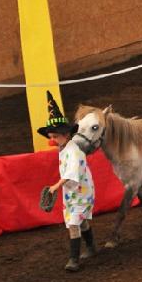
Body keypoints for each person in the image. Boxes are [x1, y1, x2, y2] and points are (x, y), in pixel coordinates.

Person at [38, 91, 96, 272]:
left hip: (81, 191)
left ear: (66, 134)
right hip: (73, 191)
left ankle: (74, 260)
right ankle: (92, 247)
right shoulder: (64, 148)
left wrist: (55, 187)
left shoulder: (74, 151)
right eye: (51, 136)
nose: (52, 140)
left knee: (73, 224)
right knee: (81, 221)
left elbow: (71, 173)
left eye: (55, 136)